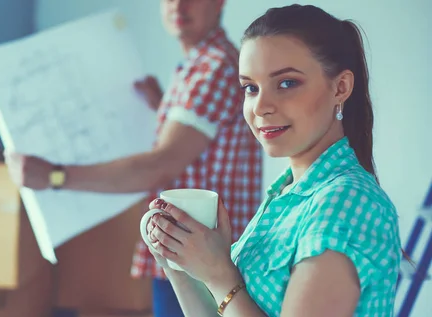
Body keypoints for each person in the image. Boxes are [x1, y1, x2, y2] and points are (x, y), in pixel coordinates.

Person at [3, 0, 262, 316]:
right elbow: (201, 153)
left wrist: (55, 176)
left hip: (198, 258)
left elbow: (160, 167)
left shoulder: (214, 67)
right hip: (190, 253)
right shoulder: (197, 66)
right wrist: (162, 110)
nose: (178, 5)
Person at [144, 4, 402, 317]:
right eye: (250, 88)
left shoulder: (345, 202)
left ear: (341, 87)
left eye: (286, 83)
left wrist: (218, 273)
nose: (260, 106)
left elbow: (227, 291)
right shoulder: (285, 195)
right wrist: (180, 264)